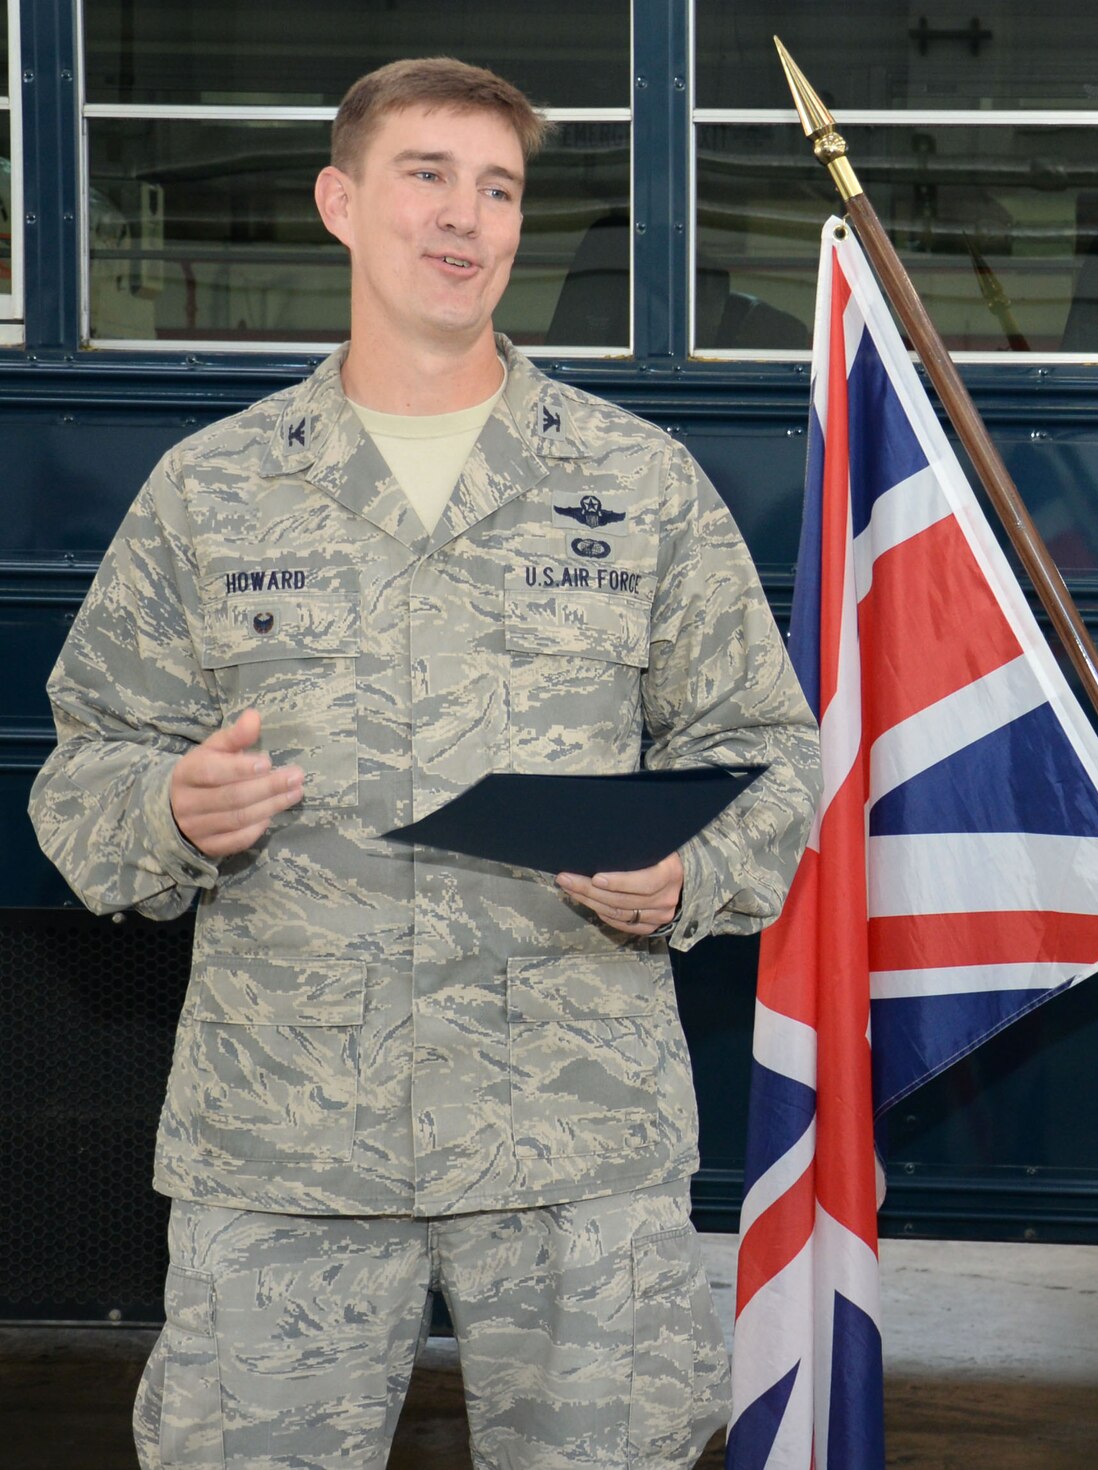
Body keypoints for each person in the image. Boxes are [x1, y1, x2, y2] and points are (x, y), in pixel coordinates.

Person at [29, 58, 819, 1470]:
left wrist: (688, 870)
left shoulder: (637, 484)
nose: (468, 217)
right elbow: (83, 768)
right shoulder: (213, 488)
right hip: (287, 1149)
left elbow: (763, 749)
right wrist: (165, 807)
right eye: (428, 175)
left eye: (500, 187)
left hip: (575, 1144)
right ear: (340, 201)